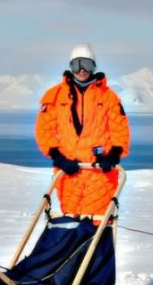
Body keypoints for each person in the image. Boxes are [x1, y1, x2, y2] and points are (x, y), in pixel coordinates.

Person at [34, 43, 130, 216]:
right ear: (70, 67)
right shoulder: (55, 96)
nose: (81, 69)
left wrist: (114, 155)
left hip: (100, 171)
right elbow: (44, 130)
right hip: (69, 169)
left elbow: (120, 128)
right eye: (76, 64)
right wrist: (58, 158)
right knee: (71, 219)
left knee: (99, 220)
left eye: (86, 63)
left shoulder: (108, 97)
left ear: (93, 66)